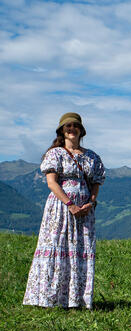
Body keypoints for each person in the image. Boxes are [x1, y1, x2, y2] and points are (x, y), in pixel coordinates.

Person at [23, 112, 106, 309]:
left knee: (80, 248)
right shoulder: (55, 154)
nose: (71, 129)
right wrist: (70, 204)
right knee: (56, 245)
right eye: (67, 126)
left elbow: (96, 183)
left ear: (81, 130)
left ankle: (76, 299)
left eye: (75, 126)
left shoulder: (91, 156)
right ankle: (48, 298)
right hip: (60, 207)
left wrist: (90, 202)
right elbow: (51, 183)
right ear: (62, 130)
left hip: (85, 209)